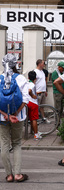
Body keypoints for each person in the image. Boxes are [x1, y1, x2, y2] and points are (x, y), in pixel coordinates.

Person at [0, 54, 29, 182]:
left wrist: (6, 115)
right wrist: (14, 114)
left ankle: (9, 175)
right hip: (18, 117)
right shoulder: (21, 78)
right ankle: (18, 174)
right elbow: (26, 100)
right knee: (16, 143)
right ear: (15, 64)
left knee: (4, 145)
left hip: (2, 118)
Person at [27, 71, 41, 140]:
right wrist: (33, 95)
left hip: (27, 102)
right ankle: (36, 134)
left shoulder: (27, 83)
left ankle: (33, 131)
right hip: (33, 103)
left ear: (28, 77)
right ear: (35, 78)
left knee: (31, 118)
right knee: (34, 119)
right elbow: (29, 91)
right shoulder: (32, 85)